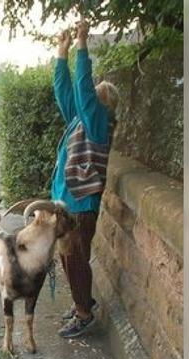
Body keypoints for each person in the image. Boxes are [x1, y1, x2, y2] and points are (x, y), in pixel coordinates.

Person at [52, 22, 119, 338]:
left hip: (81, 206)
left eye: (96, 95)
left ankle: (83, 314)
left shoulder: (98, 123)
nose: (89, 96)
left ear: (104, 104)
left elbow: (82, 89)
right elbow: (66, 92)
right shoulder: (80, 119)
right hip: (68, 204)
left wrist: (82, 45)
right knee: (68, 258)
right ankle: (83, 301)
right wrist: (61, 54)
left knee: (75, 260)